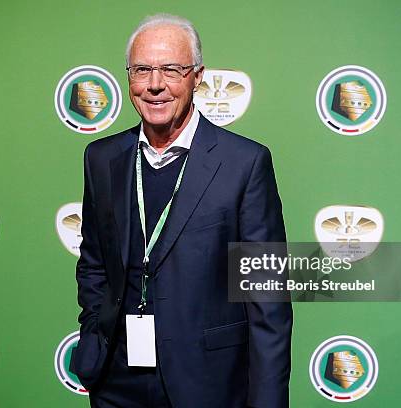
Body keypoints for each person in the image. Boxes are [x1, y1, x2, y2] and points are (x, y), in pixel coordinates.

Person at [71, 13, 292, 408]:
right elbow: (93, 264)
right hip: (116, 383)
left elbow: (267, 303)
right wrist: (93, 335)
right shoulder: (101, 158)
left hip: (209, 384)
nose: (155, 85)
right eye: (142, 70)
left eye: (171, 69)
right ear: (128, 77)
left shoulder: (245, 163)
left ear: (197, 76)